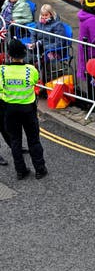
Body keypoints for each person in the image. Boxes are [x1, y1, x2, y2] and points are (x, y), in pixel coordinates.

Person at [0, 39, 47, 180]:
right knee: (33, 140)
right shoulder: (31, 70)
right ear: (24, 54)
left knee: (15, 140)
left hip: (9, 109)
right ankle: (40, 169)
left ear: (9, 55)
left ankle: (20, 170)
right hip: (28, 109)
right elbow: (34, 81)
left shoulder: (2, 70)